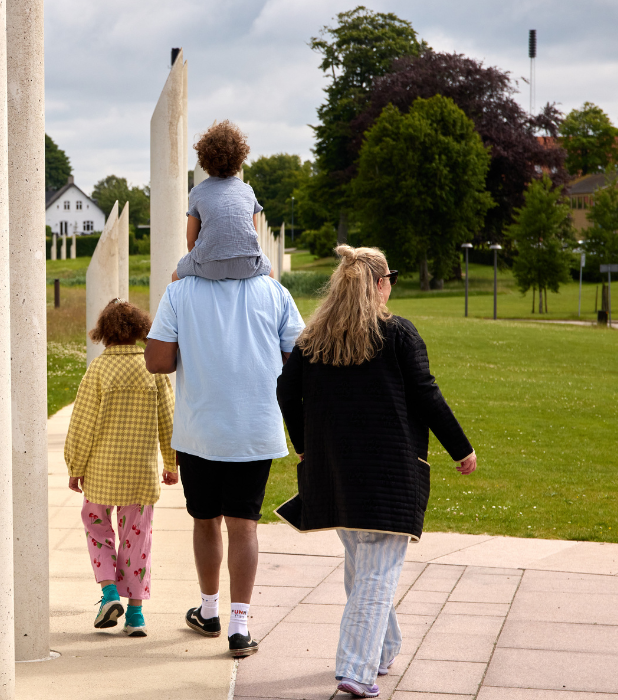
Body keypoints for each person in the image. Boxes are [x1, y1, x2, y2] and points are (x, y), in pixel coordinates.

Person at [275, 245, 477, 699]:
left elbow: (285, 393)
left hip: (331, 475)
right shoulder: (398, 334)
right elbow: (428, 395)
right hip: (388, 477)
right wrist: (461, 449)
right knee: (375, 573)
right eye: (393, 280)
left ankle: (383, 650)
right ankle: (356, 669)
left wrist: (305, 448)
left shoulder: (313, 340)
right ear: (381, 284)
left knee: (362, 566)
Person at [145, 249, 305, 658]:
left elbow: (158, 361)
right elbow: (299, 361)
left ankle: (209, 610)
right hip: (254, 428)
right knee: (244, 525)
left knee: (205, 521)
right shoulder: (274, 291)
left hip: (200, 429)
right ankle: (239, 626)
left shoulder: (179, 292)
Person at [66, 300, 176, 637]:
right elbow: (169, 420)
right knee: (137, 540)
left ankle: (109, 593)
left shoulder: (98, 370)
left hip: (101, 473)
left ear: (105, 334)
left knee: (96, 525)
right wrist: (172, 463)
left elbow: (82, 424)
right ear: (141, 330)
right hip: (140, 475)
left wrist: (75, 465)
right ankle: (136, 615)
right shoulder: (152, 370)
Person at [173, 120, 272, 282]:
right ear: (240, 157)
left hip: (210, 267)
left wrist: (200, 262)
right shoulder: (247, 191)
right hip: (246, 265)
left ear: (204, 158)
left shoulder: (197, 192)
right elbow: (253, 233)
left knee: (174, 276)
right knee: (271, 274)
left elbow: (190, 240)